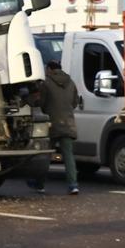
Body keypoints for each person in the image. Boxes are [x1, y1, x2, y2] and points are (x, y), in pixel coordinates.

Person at [27, 60, 82, 195]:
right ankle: (73, 185)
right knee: (68, 156)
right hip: (68, 123)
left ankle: (39, 184)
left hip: (51, 124)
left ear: (50, 69)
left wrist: (29, 100)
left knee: (45, 155)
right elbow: (74, 102)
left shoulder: (46, 83)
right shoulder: (71, 82)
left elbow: (42, 103)